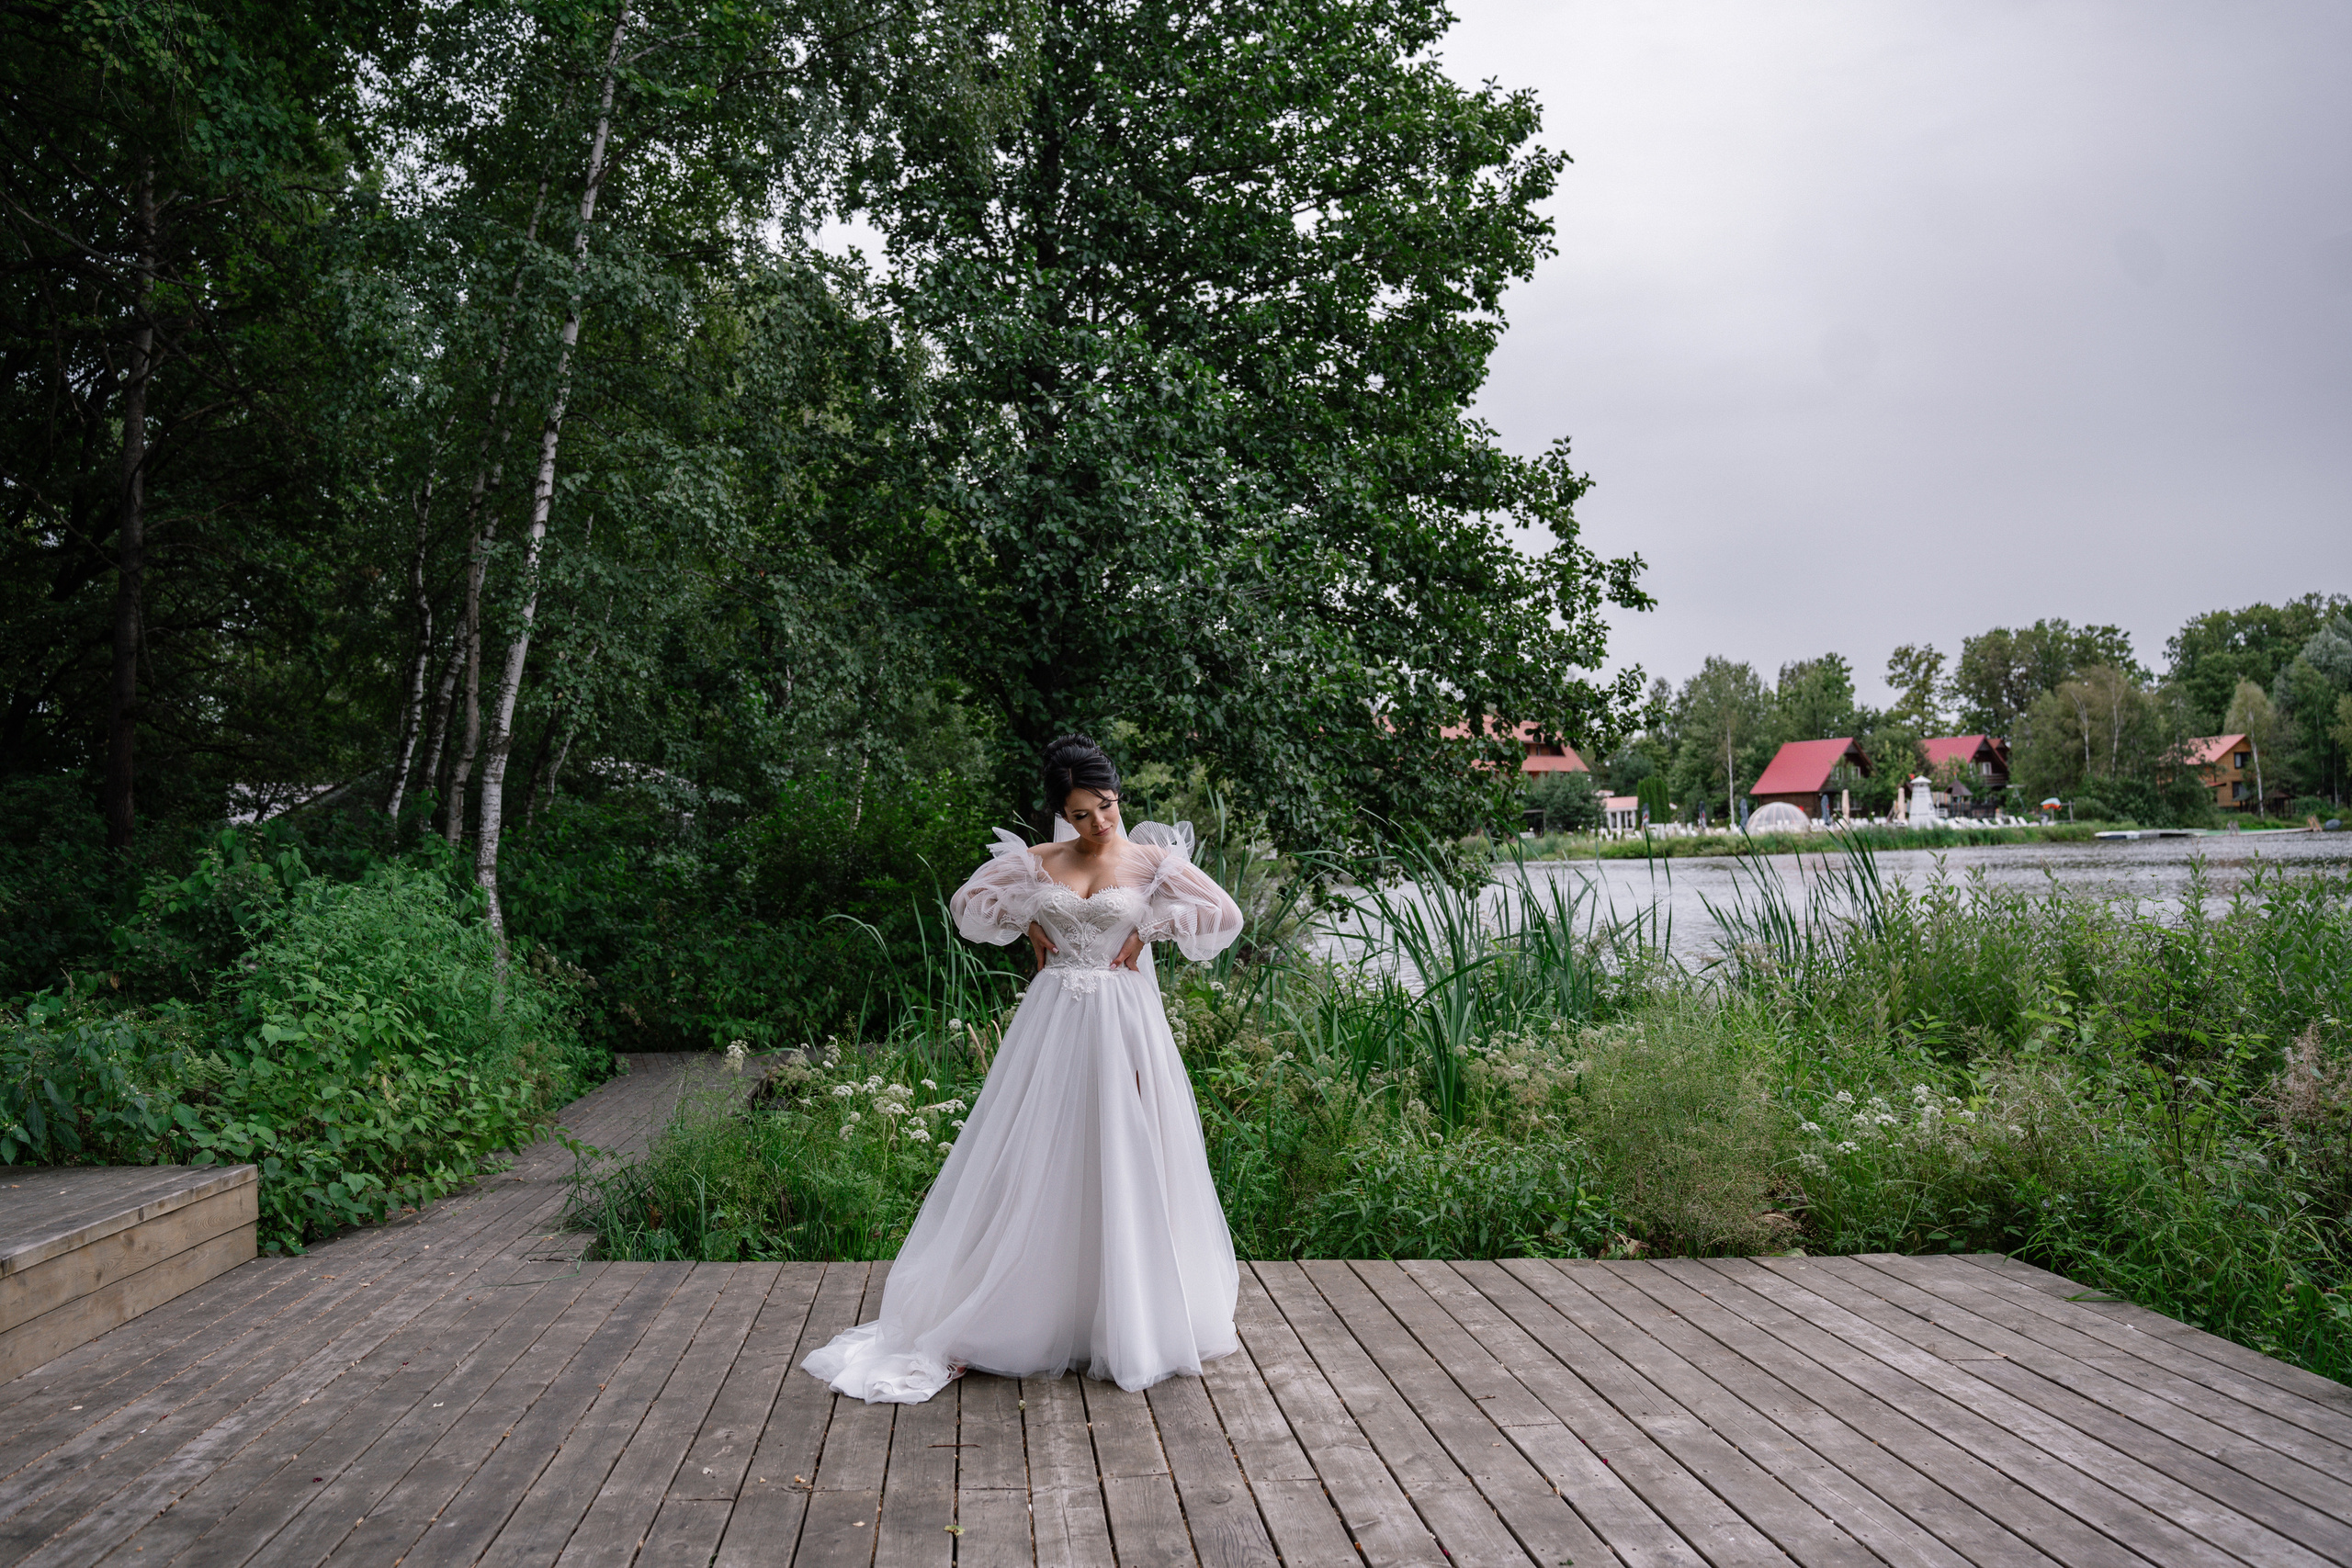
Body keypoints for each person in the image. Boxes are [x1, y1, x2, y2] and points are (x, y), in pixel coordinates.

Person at [799, 734, 1247, 1404]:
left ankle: (1126, 1313)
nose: (1098, 823)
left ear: (1117, 795)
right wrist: (1028, 920)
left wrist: (1148, 930)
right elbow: (967, 905)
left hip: (1125, 1022)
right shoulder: (1039, 860)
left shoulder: (1152, 861)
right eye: (1081, 814)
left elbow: (1224, 914)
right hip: (1054, 1020)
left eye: (1106, 806)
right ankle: (1024, 1310)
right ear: (1061, 814)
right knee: (1040, 1150)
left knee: (1129, 1148)